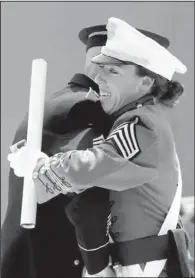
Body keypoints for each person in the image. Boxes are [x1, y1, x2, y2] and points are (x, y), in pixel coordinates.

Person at [4, 23, 172, 278]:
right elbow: (89, 194)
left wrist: (39, 166)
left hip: (37, 257)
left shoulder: (64, 101)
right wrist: (98, 267)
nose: (102, 77)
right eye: (104, 68)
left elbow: (95, 174)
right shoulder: (89, 108)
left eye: (113, 70)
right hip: (56, 260)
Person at [1, 25, 109, 278]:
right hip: (55, 254)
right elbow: (83, 185)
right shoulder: (87, 107)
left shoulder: (60, 100)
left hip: (28, 252)